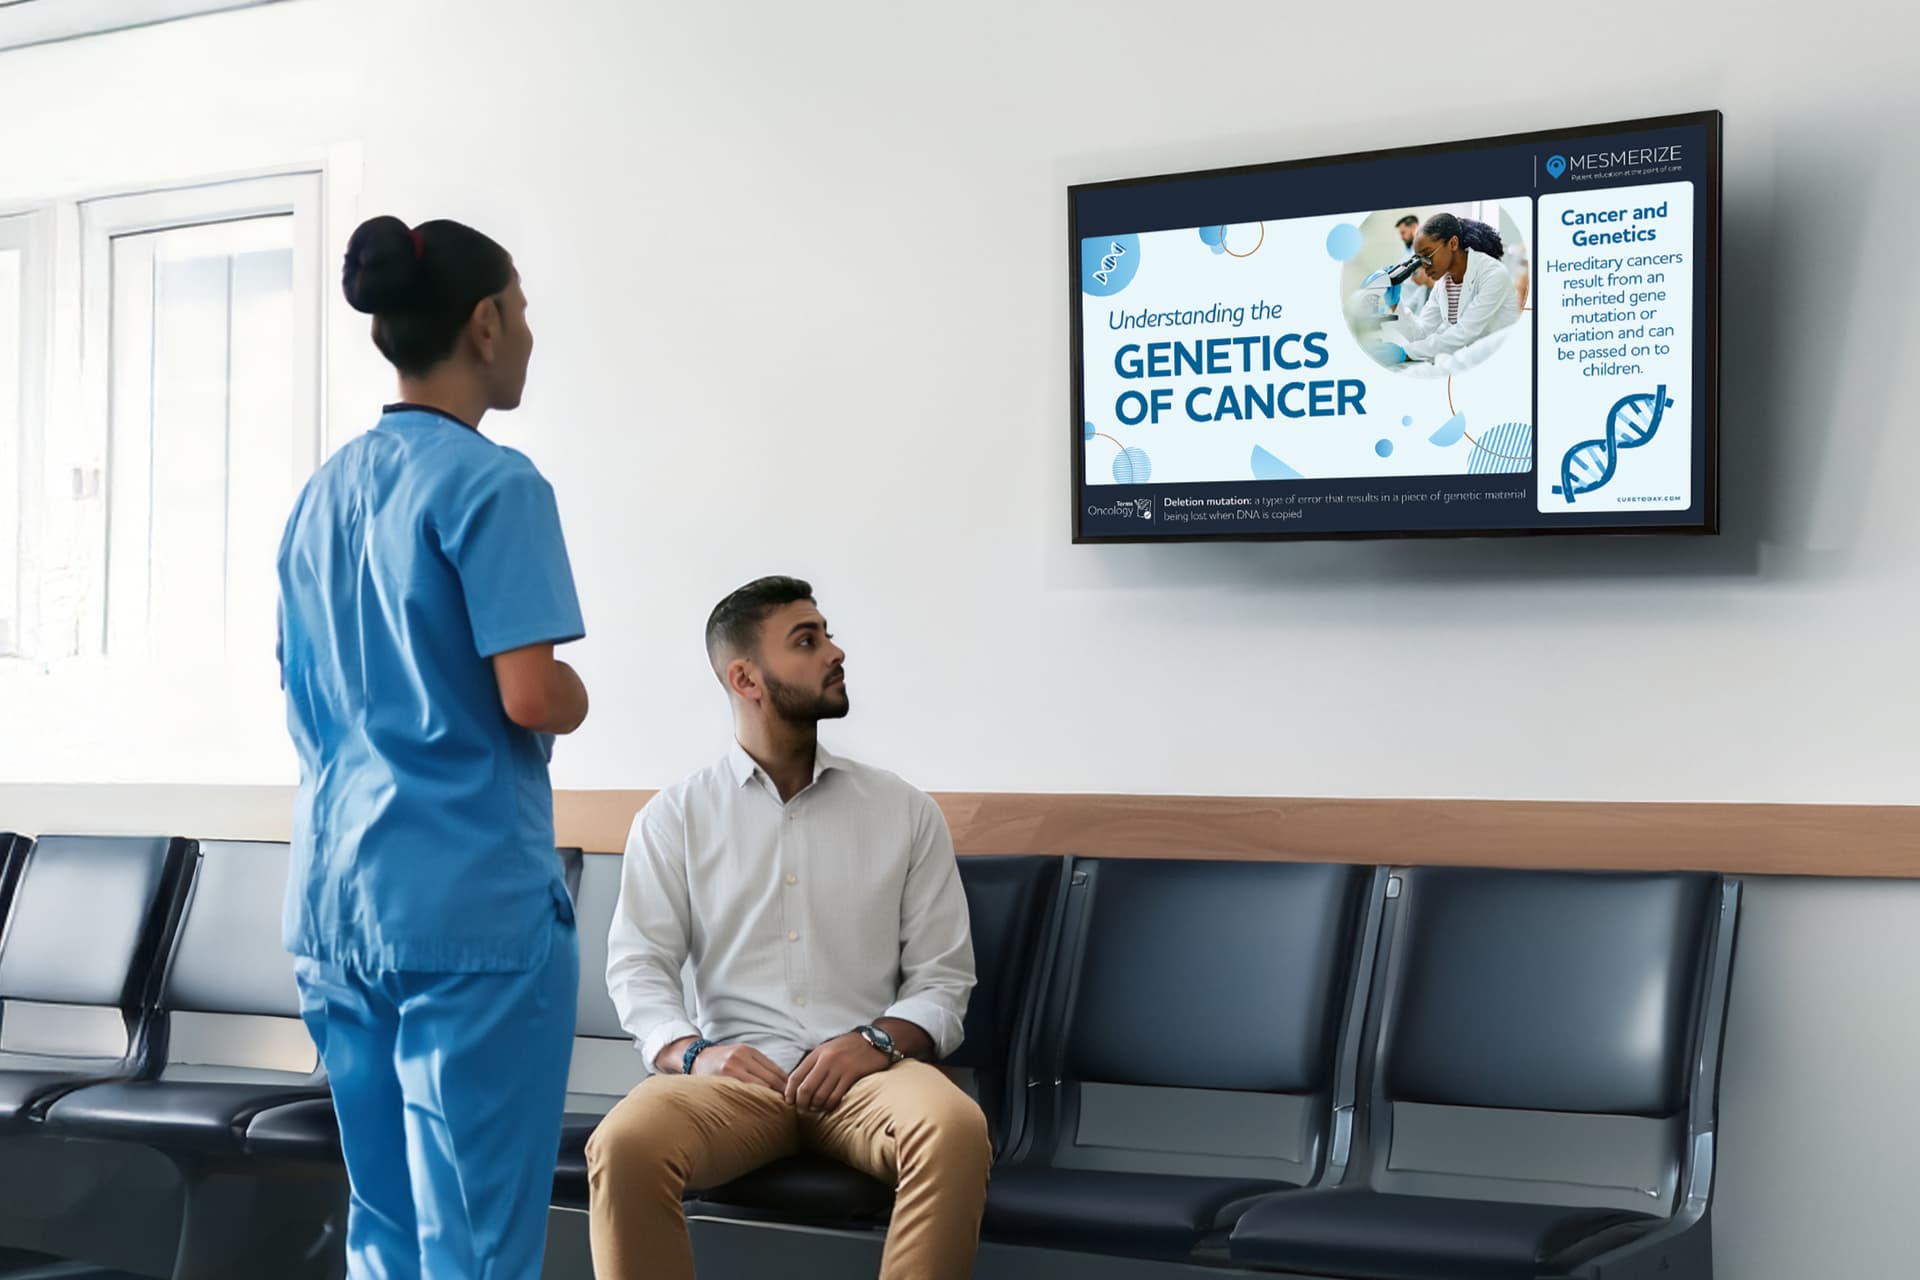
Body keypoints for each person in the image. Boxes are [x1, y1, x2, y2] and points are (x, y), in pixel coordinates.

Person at [276, 215, 589, 1278]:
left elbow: (303, 688)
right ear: (487, 322)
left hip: (335, 905)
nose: (532, 335)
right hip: (468, 915)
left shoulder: (318, 496)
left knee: (388, 1230)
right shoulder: (498, 486)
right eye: (527, 310)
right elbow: (532, 694)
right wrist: (578, 693)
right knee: (476, 1243)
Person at [588, 576, 987, 1280]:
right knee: (624, 1143)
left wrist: (872, 1041)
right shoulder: (675, 817)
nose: (835, 652)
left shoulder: (903, 810)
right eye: (807, 641)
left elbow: (942, 978)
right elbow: (638, 967)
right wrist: (691, 1053)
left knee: (953, 1128)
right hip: (735, 1084)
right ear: (745, 677)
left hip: (871, 1077)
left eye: (827, 634)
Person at [1390, 211, 1520, 361]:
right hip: (1469, 361)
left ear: (1453, 243)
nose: (1424, 266)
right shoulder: (1443, 284)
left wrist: (1405, 353)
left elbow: (1463, 333)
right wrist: (1394, 304)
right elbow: (1421, 333)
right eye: (1419, 259)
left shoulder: (1493, 274)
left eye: (1427, 256)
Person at [1392, 214, 1432, 315]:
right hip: (1409, 307)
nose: (1401, 237)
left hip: (1419, 308)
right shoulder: (1406, 256)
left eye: (1403, 232)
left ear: (1414, 227)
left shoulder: (1424, 254)